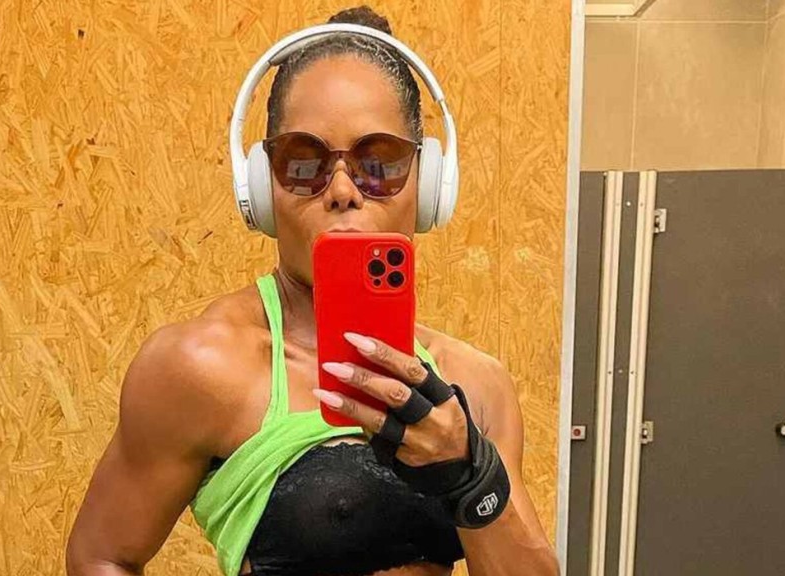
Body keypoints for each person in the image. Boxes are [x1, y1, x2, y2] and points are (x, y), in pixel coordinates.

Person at [66, 6, 558, 576]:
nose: (343, 190)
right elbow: (101, 555)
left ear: (427, 186)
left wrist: (471, 474)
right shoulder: (203, 365)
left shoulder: (476, 385)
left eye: (379, 163)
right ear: (261, 186)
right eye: (304, 163)